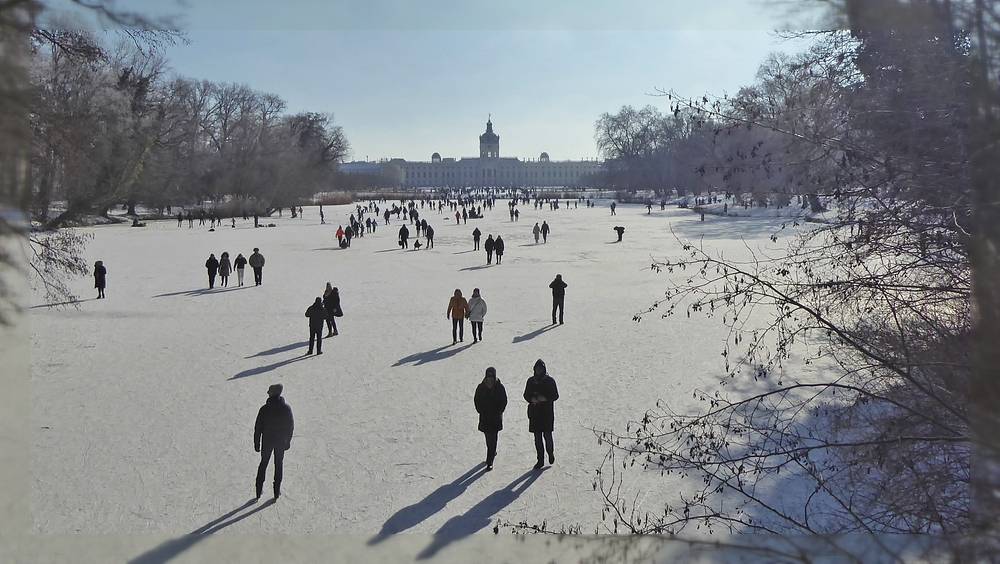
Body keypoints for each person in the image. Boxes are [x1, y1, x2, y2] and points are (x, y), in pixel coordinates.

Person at [254, 383, 294, 500]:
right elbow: (290, 426)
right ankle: (276, 492)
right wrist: (288, 441)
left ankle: (258, 490)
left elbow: (258, 428)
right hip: (281, 441)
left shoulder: (264, 409)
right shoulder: (286, 409)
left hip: (267, 441)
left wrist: (256, 442)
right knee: (278, 464)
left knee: (263, 463)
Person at [524, 359, 559, 469]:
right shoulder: (531, 381)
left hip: (546, 414)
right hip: (535, 414)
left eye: (541, 368)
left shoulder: (549, 381)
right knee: (537, 438)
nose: (539, 371)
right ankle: (540, 460)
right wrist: (532, 399)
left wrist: (545, 399)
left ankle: (550, 453)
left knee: (547, 436)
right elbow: (526, 395)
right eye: (537, 368)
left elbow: (555, 395)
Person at [475, 367, 507, 471]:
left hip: (495, 417)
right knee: (488, 439)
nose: (490, 379)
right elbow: (477, 400)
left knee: (493, 438)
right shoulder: (481, 387)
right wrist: (480, 410)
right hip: (485, 417)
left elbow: (504, 400)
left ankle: (490, 461)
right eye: (488, 376)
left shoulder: (499, 387)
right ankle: (492, 452)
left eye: (492, 376)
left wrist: (499, 411)